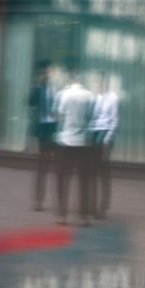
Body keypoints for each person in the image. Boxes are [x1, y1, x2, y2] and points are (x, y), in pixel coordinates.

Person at [54, 72, 95, 226]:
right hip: (83, 143)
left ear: (71, 80)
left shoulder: (65, 95)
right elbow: (91, 116)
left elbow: (59, 116)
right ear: (81, 81)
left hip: (65, 142)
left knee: (62, 179)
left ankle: (62, 215)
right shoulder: (89, 96)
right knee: (83, 180)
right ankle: (83, 216)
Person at [28, 64, 58, 211]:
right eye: (44, 73)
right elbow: (30, 102)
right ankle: (39, 201)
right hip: (42, 130)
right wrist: (37, 85)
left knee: (57, 166)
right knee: (42, 166)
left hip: (54, 129)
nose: (46, 75)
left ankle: (58, 202)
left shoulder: (55, 88)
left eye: (48, 73)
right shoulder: (39, 88)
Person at [89, 73, 119, 219]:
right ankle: (93, 206)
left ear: (105, 83)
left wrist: (107, 139)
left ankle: (103, 206)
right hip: (95, 134)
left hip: (105, 134)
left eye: (100, 83)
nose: (98, 86)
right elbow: (93, 119)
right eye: (96, 83)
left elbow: (114, 120)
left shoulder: (113, 98)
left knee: (103, 172)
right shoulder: (96, 98)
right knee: (93, 172)